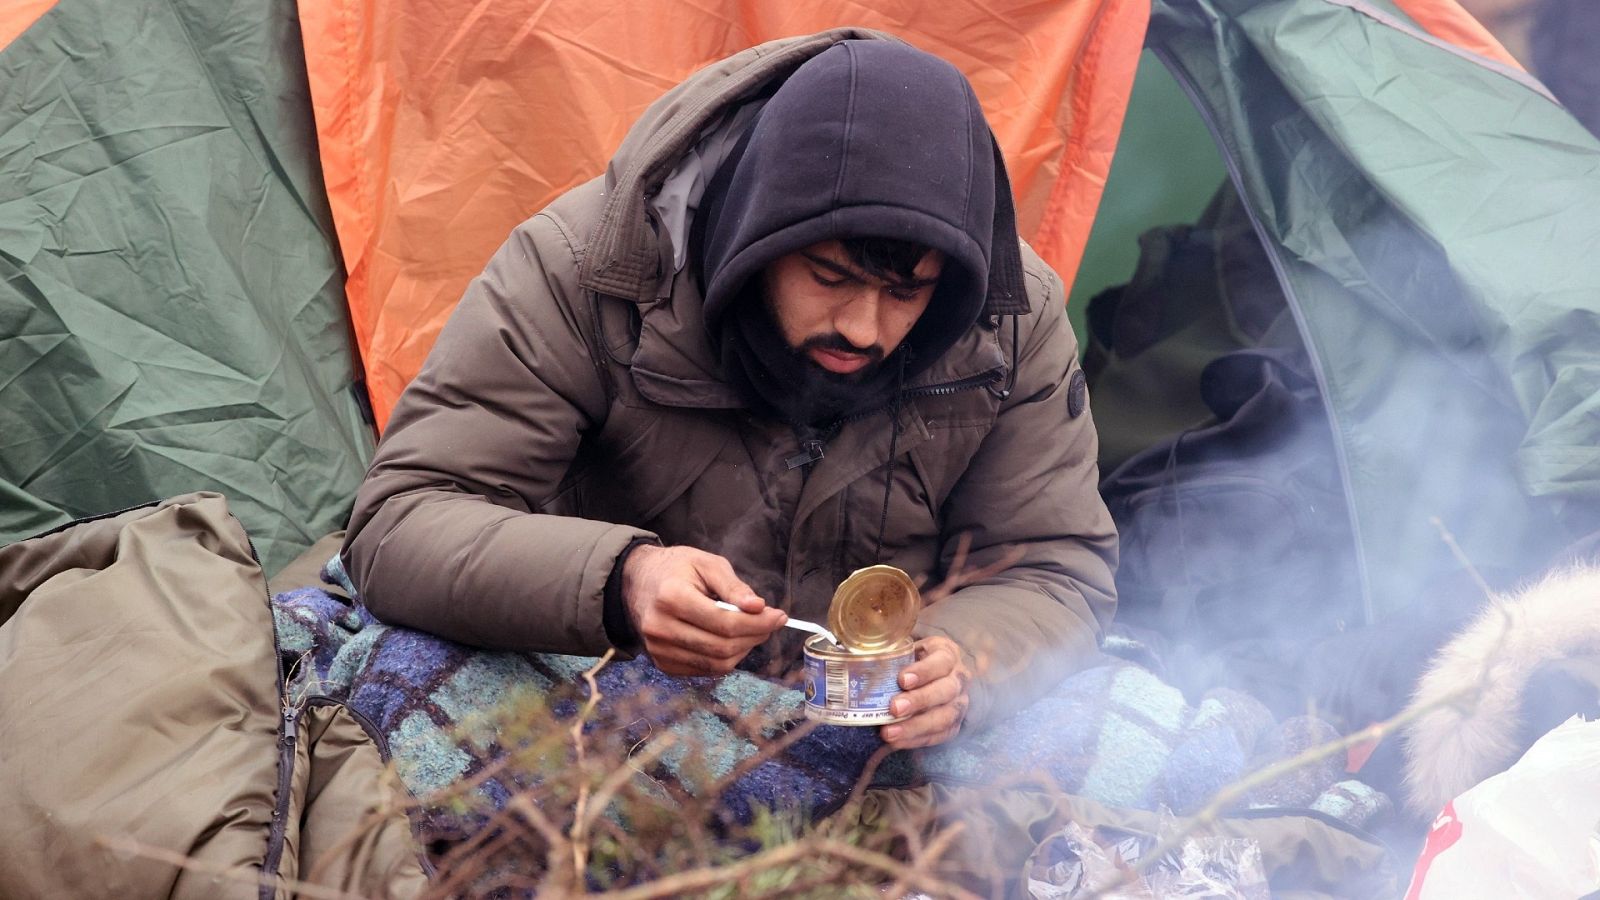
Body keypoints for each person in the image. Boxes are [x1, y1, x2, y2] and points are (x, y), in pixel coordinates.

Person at [340, 29, 1118, 750]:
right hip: (601, 693)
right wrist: (624, 581)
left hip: (870, 732)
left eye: (906, 295)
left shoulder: (1005, 322)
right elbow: (400, 524)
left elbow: (1054, 571)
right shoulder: (592, 272)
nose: (863, 328)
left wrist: (965, 664)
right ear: (759, 233)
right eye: (830, 276)